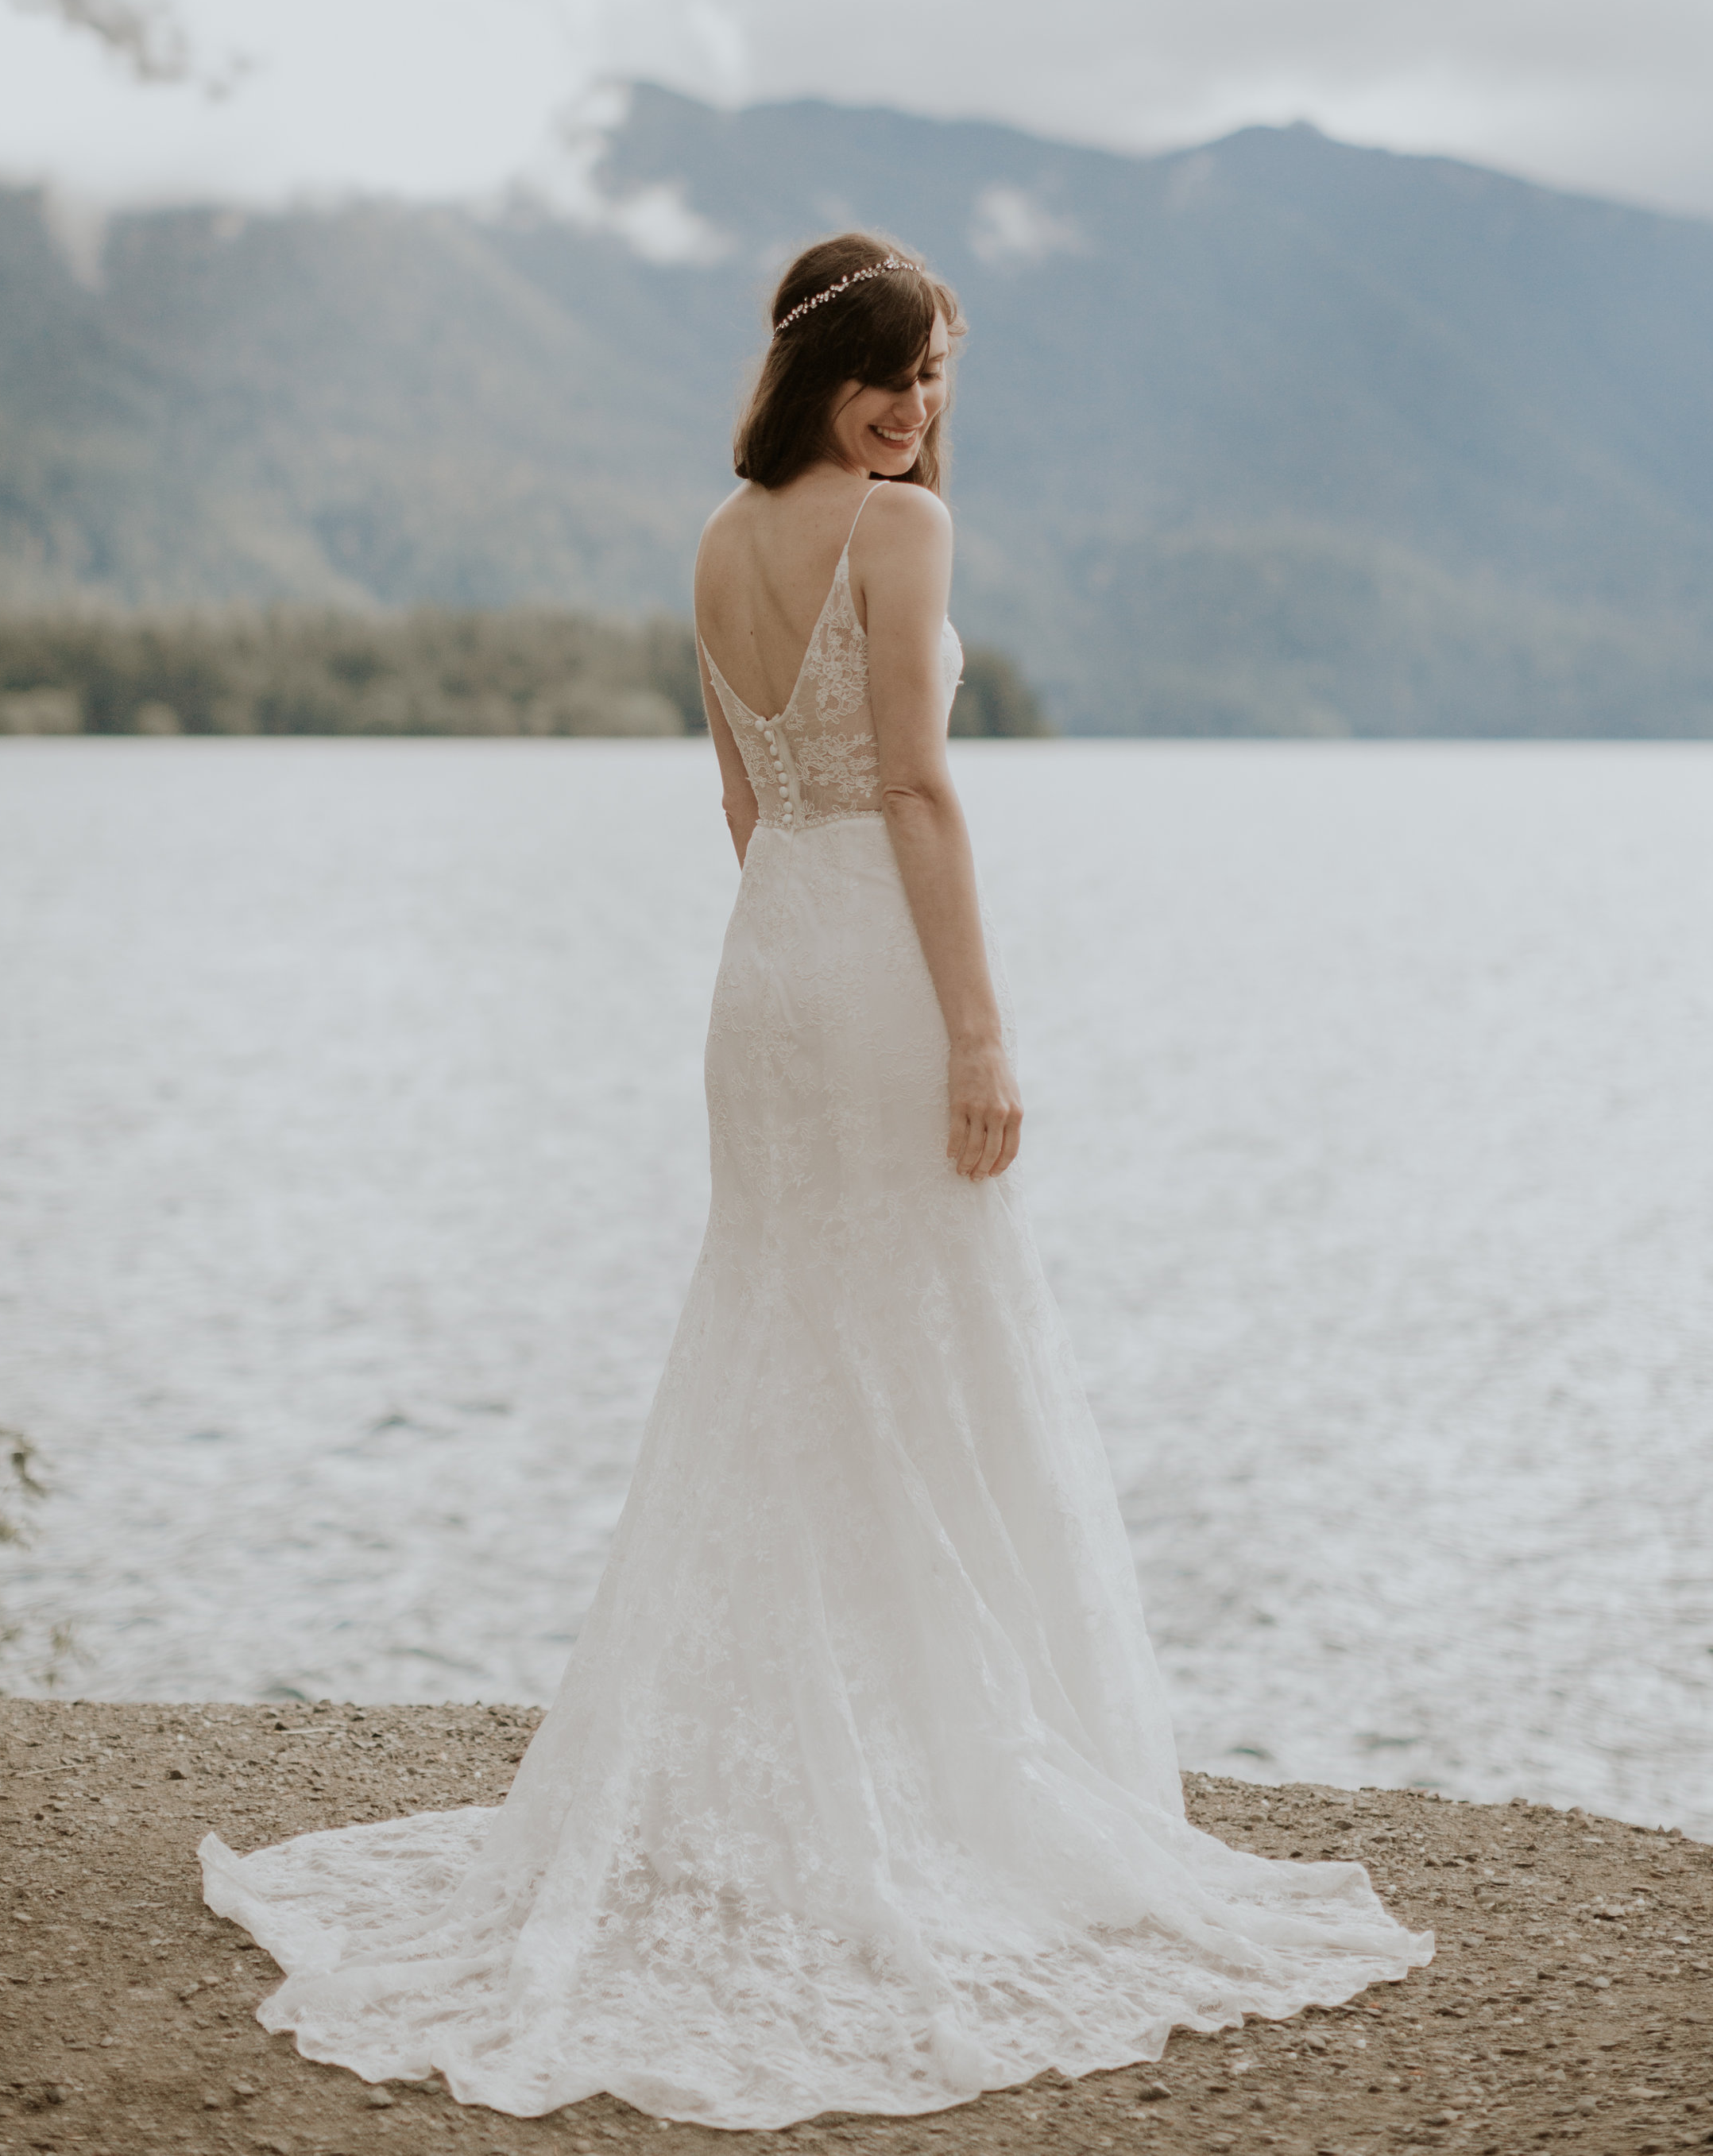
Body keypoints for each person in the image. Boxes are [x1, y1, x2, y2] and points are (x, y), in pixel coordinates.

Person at [200, 230, 1430, 2127]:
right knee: (916, 1344)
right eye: (894, 370)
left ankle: (802, 1768)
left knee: (790, 1344)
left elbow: (740, 806)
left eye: (934, 379)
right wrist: (979, 1035)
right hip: (864, 966)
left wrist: (805, 950)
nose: (915, 409)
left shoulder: (715, 538)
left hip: (767, 965)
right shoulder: (894, 529)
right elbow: (921, 792)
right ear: (827, 371)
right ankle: (917, 1782)